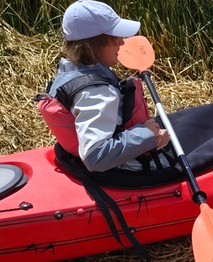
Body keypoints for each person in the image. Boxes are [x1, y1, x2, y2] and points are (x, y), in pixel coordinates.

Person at [38, 0, 171, 184]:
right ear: (93, 44)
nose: (122, 41)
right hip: (130, 171)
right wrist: (148, 134)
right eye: (115, 36)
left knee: (188, 119)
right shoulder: (97, 92)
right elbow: (95, 156)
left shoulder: (69, 72)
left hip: (88, 163)